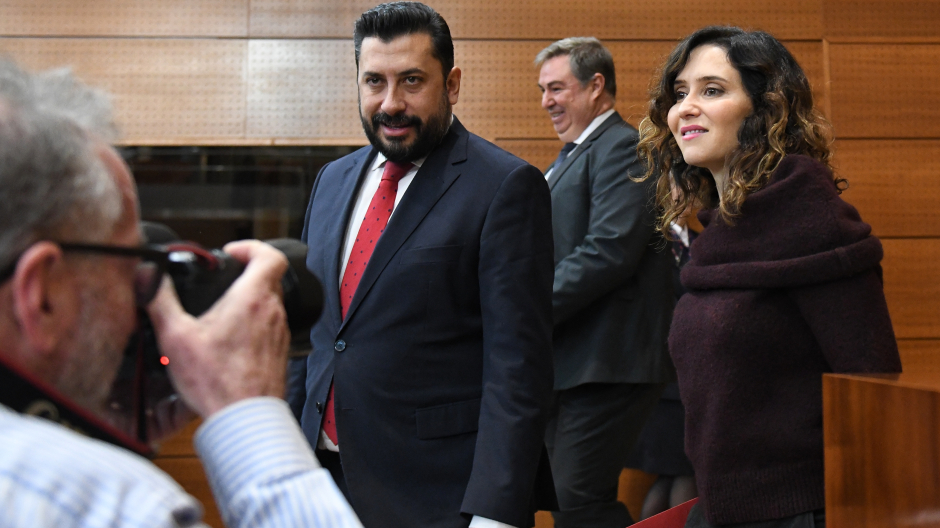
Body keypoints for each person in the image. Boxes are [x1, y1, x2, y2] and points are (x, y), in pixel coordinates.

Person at [0, 59, 362, 527]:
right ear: (42, 296)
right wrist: (248, 411)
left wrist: (103, 432)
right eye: (135, 265)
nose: (145, 298)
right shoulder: (114, 506)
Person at [288, 3, 556, 528]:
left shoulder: (504, 186)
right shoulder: (331, 182)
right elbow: (310, 338)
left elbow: (517, 367)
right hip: (320, 485)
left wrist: (494, 510)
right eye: (374, 82)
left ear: (451, 84)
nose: (391, 103)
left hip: (437, 496)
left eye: (411, 81)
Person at [636, 26, 903, 528]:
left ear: (766, 109)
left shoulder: (814, 224)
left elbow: (875, 397)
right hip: (721, 511)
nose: (685, 108)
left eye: (711, 90)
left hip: (801, 513)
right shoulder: (717, 234)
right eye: (679, 93)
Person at [534, 37, 674, 527]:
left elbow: (609, 250)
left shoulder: (622, 147)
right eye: (542, 90)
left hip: (609, 361)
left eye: (556, 88)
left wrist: (526, 309)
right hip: (574, 363)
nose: (546, 101)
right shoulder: (570, 156)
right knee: (566, 496)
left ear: (597, 86)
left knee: (577, 498)